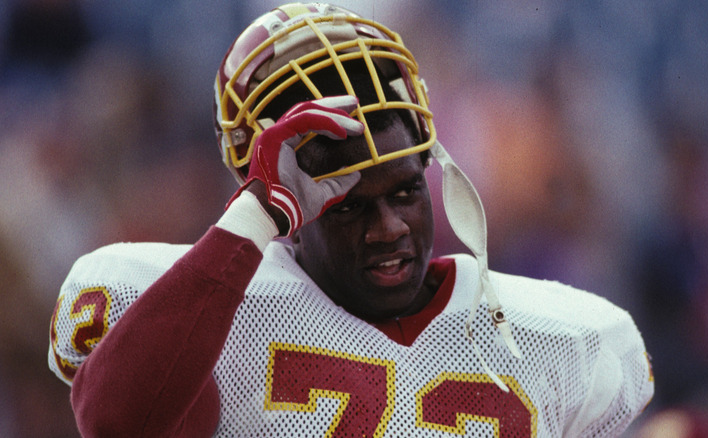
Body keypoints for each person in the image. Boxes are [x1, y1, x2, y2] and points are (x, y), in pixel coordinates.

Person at [48, 3, 654, 437]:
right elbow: (116, 423)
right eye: (351, 204)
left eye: (406, 190)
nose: (389, 226)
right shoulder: (218, 318)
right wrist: (249, 221)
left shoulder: (563, 342)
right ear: (288, 208)